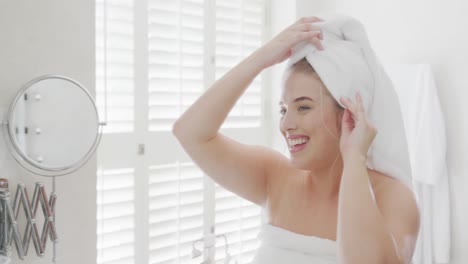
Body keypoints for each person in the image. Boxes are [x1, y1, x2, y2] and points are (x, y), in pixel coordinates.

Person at [173, 15, 420, 264]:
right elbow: (191, 133)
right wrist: (260, 59)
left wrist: (355, 159)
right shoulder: (275, 176)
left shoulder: (394, 198)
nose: (286, 125)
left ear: (349, 115)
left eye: (303, 108)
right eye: (283, 110)